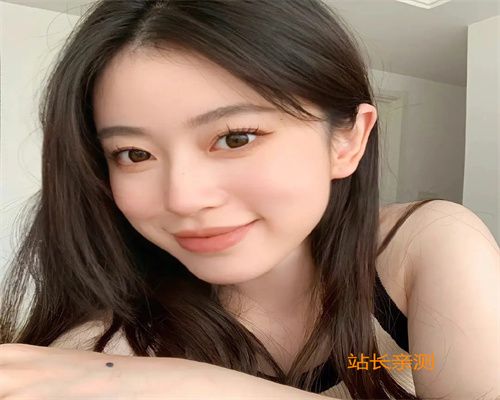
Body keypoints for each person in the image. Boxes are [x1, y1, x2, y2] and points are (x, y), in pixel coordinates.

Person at [0, 0, 498, 399]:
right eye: (134, 153)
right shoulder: (104, 353)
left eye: (235, 137)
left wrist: (189, 386)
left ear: (346, 141)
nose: (183, 198)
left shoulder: (423, 246)